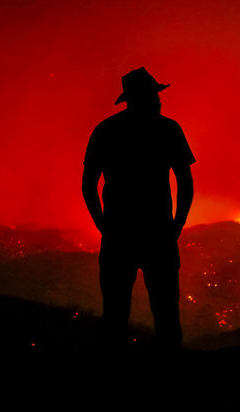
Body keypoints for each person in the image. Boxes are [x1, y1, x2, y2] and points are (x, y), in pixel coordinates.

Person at [82, 67, 195, 356]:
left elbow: (88, 185)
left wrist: (104, 226)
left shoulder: (106, 130)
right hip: (158, 235)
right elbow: (185, 183)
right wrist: (176, 226)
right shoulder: (169, 129)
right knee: (167, 315)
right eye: (153, 95)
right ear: (140, 98)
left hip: (120, 236)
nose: (158, 101)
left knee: (116, 316)